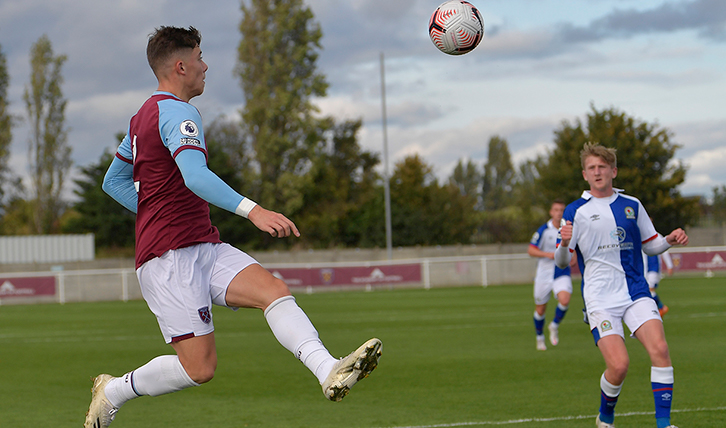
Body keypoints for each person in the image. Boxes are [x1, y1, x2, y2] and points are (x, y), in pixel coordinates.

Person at [84, 26, 382, 428]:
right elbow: (195, 175)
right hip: (169, 258)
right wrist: (254, 211)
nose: (206, 66)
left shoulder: (142, 117)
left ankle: (327, 370)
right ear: (181, 65)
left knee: (273, 292)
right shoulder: (177, 111)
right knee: (199, 368)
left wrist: (158, 208)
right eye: (200, 57)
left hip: (202, 245)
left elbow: (113, 181)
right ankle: (113, 391)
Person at [555, 142, 687, 428]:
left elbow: (651, 245)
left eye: (602, 166)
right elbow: (563, 262)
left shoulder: (633, 205)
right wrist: (565, 242)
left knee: (661, 350)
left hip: (635, 292)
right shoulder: (575, 210)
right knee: (619, 366)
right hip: (600, 299)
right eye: (592, 168)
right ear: (584, 174)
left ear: (613, 171)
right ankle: (605, 416)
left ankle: (664, 425)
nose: (597, 172)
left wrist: (669, 241)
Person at [528, 199, 572, 350]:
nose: (559, 213)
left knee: (565, 300)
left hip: (561, 272)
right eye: (556, 210)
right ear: (551, 212)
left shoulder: (568, 229)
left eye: (562, 210)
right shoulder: (543, 230)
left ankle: (554, 325)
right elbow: (531, 250)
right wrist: (548, 254)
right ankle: (540, 337)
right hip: (544, 275)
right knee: (540, 310)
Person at [643, 248, 674, 316]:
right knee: (646, 291)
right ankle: (657, 308)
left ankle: (661, 307)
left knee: (650, 290)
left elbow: (664, 251)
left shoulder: (656, 237)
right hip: (644, 270)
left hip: (654, 269)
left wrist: (669, 266)